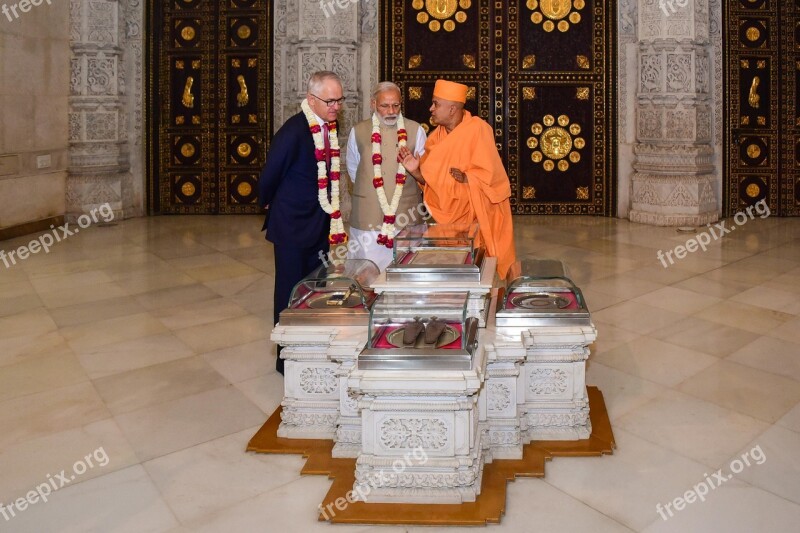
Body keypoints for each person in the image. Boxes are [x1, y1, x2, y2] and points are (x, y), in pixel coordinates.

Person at [258, 70, 345, 375]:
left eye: (339, 100)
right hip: (293, 227)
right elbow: (270, 174)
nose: (336, 106)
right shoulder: (294, 131)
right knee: (290, 291)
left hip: (319, 225)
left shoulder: (328, 129)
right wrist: (266, 200)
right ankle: (286, 358)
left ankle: (311, 348)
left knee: (315, 289)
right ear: (311, 99)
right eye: (330, 100)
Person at [398, 79, 516, 279]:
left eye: (436, 104)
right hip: (449, 224)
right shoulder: (435, 139)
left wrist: (469, 178)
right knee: (457, 273)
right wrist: (415, 171)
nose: (431, 108)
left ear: (452, 109)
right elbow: (431, 183)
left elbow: (495, 178)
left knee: (483, 272)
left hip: (479, 216)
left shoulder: (478, 130)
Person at [345, 82, 428, 270]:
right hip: (368, 217)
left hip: (406, 216)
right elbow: (354, 171)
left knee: (406, 273)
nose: (391, 111)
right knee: (366, 275)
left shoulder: (416, 130)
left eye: (396, 105)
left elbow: (426, 175)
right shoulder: (358, 131)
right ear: (373, 104)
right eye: (385, 106)